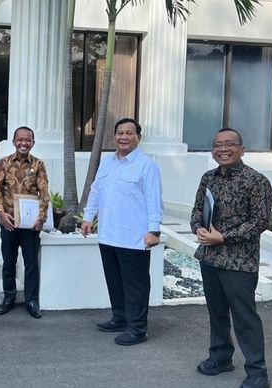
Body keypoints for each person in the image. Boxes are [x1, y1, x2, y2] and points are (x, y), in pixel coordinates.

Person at [190, 128, 272, 388]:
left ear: (242, 149)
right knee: (217, 313)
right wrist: (199, 229)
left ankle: (258, 373)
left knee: (245, 318)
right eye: (217, 144)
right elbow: (196, 212)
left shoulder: (255, 181)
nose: (222, 149)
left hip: (239, 262)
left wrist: (224, 237)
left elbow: (260, 221)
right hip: (210, 258)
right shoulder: (208, 178)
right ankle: (221, 357)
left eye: (229, 144)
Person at [81, 118, 163, 346]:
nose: (124, 137)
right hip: (108, 234)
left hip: (134, 237)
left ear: (138, 137)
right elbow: (96, 190)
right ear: (115, 136)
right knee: (114, 280)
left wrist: (154, 231)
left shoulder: (147, 166)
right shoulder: (107, 163)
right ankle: (120, 317)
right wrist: (88, 217)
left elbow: (154, 200)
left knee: (135, 285)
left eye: (129, 133)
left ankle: (137, 329)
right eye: (120, 133)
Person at [0, 126, 50, 318]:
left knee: (31, 263)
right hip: (8, 222)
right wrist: (0, 213)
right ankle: (9, 298)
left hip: (30, 225)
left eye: (28, 140)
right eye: (20, 140)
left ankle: (32, 300)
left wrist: (41, 219)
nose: (24, 143)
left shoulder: (39, 165)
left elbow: (44, 194)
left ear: (33, 143)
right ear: (14, 141)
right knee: (9, 261)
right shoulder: (3, 163)